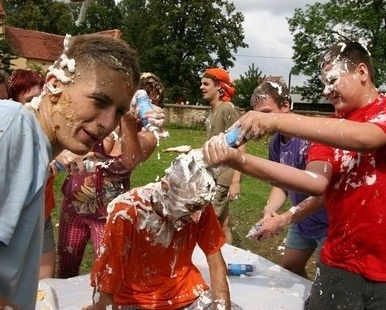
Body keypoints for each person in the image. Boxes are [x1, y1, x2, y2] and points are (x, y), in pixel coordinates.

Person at [203, 40, 386, 309]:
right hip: (340, 261)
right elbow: (313, 182)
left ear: (362, 72)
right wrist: (239, 160)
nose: (327, 91)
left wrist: (276, 120)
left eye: (332, 80)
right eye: (324, 84)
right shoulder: (330, 128)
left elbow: (368, 137)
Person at [0, 33, 141, 309]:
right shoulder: (12, 131)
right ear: (54, 85)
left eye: (120, 111)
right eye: (99, 100)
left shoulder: (31, 142)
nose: (108, 122)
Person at [90, 150, 237, 310]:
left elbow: (216, 262)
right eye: (191, 207)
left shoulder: (198, 204)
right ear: (166, 188)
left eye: (200, 208)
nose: (196, 217)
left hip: (188, 294)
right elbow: (105, 284)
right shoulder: (127, 213)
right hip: (134, 301)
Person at [56, 74, 165, 278]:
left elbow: (131, 159)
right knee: (66, 270)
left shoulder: (150, 133)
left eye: (146, 98)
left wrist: (128, 121)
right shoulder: (105, 118)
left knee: (108, 274)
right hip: (74, 207)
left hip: (108, 215)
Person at [248, 79, 329, 279]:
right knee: (290, 268)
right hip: (301, 221)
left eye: (266, 112)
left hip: (330, 224)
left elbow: (324, 194)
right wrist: (270, 210)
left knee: (329, 283)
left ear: (285, 106)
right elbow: (281, 185)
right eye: (257, 114)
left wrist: (283, 220)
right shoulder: (276, 142)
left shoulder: (308, 138)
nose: (261, 119)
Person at [8, 68, 60, 280]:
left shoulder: (50, 131)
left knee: (44, 286)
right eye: (30, 100)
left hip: (43, 216)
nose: (37, 106)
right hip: (13, 223)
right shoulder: (8, 135)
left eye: (41, 98)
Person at [200, 67, 244, 245]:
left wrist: (235, 181)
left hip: (223, 177)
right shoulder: (213, 110)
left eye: (206, 84)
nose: (201, 87)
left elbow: (242, 143)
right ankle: (229, 257)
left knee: (208, 221)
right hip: (212, 174)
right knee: (223, 222)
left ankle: (214, 261)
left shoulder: (227, 109)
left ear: (219, 87)